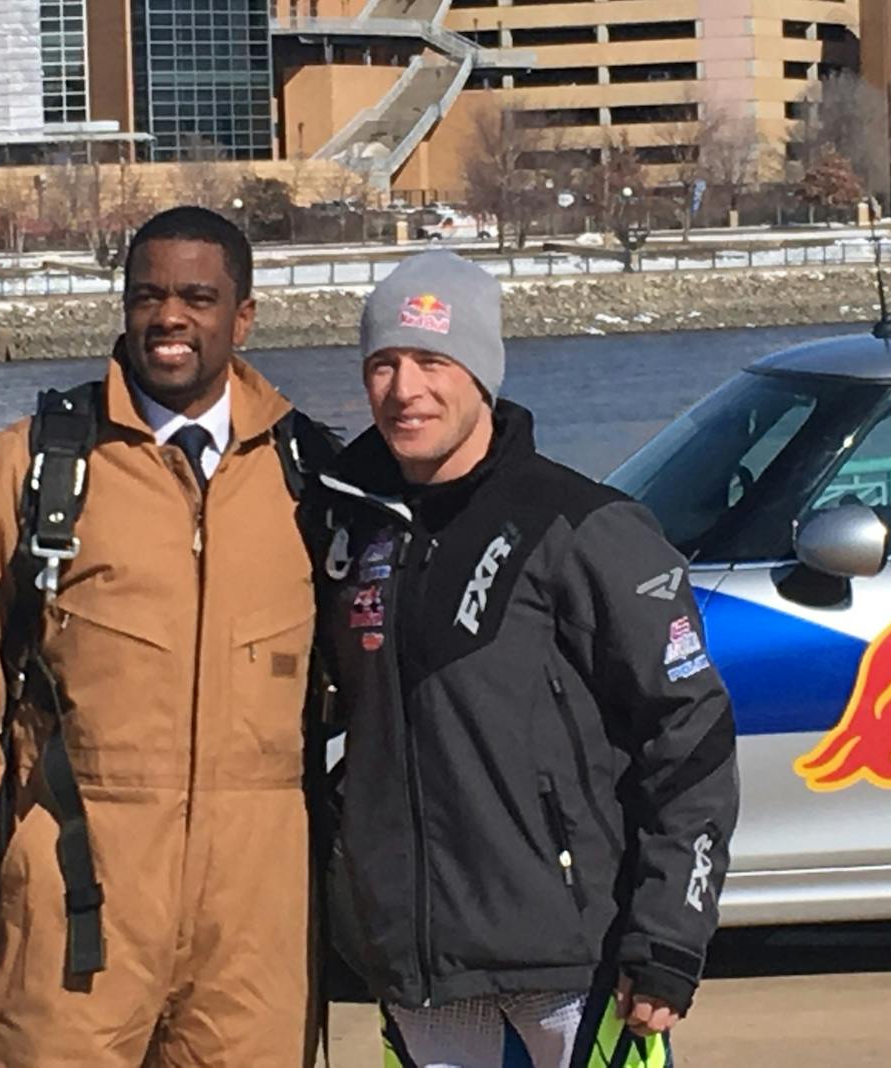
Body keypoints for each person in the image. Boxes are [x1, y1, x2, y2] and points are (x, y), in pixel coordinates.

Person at [0, 206, 327, 1067]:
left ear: (242, 318)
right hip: (76, 908)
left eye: (198, 297)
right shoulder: (34, 468)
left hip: (257, 921)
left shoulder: (309, 475)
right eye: (148, 296)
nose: (170, 317)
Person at [304, 250, 739, 1067]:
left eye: (433, 362)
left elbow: (689, 738)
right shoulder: (346, 526)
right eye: (383, 364)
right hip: (420, 972)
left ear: (482, 377)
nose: (406, 391)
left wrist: (669, 939)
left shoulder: (583, 526)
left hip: (577, 968)